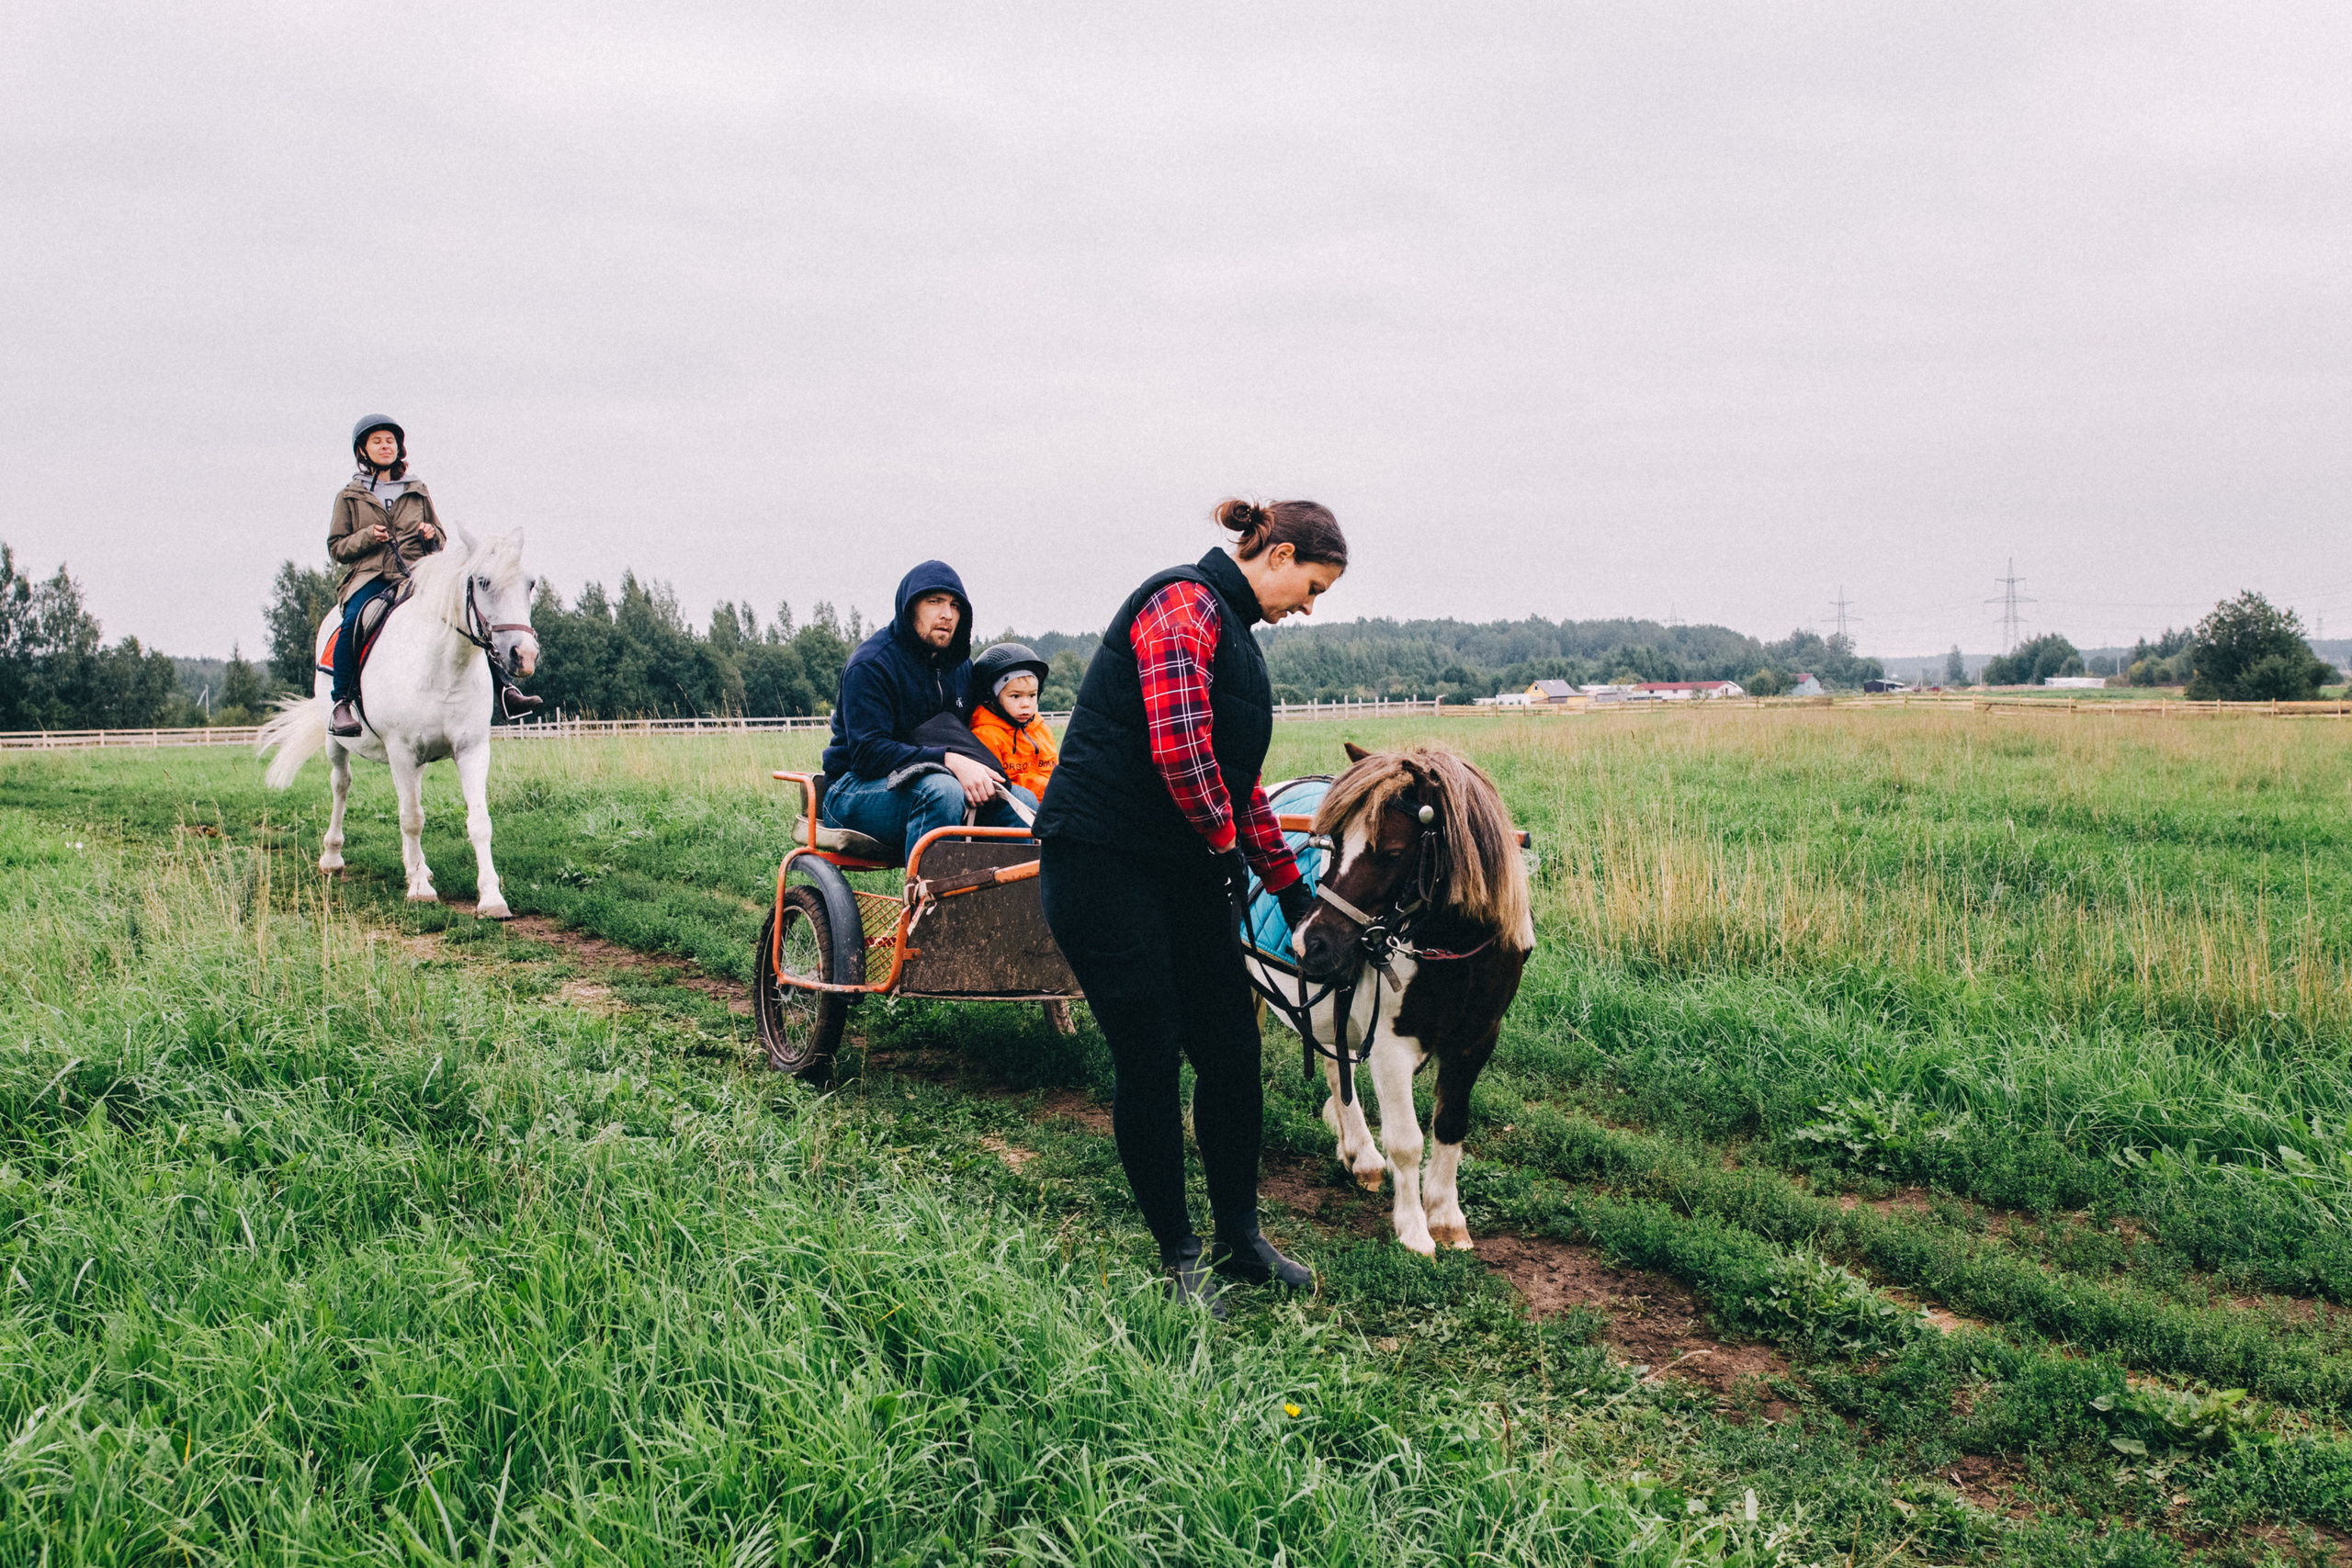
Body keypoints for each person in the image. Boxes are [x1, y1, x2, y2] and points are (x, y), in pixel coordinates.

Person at [1035, 498, 1347, 1312]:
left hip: (1177, 866)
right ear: (1279, 554)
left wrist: (1294, 893)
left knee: (1231, 1052)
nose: (1309, 607)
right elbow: (1183, 759)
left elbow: (1240, 791)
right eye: (1313, 587)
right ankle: (1179, 1255)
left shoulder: (1235, 636)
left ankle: (1240, 1238)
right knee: (1150, 1052)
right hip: (1101, 860)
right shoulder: (1183, 605)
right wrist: (1223, 845)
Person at [819, 561, 1036, 853]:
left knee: (1023, 800)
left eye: (955, 605)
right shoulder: (871, 664)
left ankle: (998, 887)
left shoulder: (960, 667)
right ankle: (928, 885)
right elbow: (867, 755)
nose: (947, 614)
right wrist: (950, 760)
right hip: (854, 788)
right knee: (941, 792)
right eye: (935, 602)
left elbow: (979, 726)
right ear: (909, 608)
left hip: (940, 782)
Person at [325, 416, 444, 737]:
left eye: (390, 441)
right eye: (377, 441)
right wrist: (367, 537)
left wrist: (431, 534)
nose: (385, 446)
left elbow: (441, 538)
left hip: (416, 574)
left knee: (462, 611)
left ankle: (505, 687)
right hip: (371, 576)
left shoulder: (417, 490)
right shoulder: (349, 496)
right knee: (353, 622)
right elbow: (336, 547)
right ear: (363, 451)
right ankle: (341, 703)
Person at [965, 642, 1059, 803]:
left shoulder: (1043, 731)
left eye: (1032, 695)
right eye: (1015, 696)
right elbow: (998, 787)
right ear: (992, 698)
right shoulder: (987, 735)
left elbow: (1053, 773)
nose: (1026, 704)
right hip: (1016, 808)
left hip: (1051, 805)